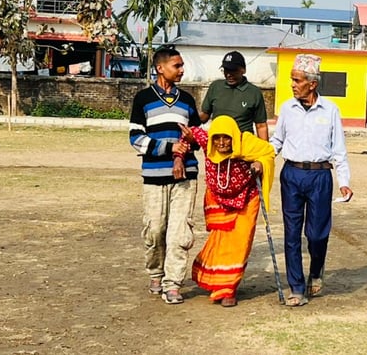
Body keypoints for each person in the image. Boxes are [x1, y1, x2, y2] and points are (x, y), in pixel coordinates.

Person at [270, 53, 353, 307]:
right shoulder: (287, 108)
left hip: (320, 176)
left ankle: (316, 270)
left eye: (297, 80)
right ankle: (296, 287)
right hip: (291, 175)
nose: (293, 84)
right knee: (292, 233)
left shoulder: (330, 110)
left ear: (312, 83)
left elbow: (339, 149)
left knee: (316, 234)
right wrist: (261, 158)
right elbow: (277, 141)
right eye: (292, 80)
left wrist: (344, 181)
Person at [128, 45, 201, 305]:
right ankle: (156, 273)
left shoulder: (188, 101)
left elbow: (197, 137)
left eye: (182, 66)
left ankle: (173, 283)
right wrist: (170, 148)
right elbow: (135, 138)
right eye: (176, 66)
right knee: (155, 229)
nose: (181, 70)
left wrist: (189, 144)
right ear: (160, 68)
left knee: (179, 233)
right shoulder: (143, 99)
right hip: (154, 175)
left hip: (186, 176)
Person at [178, 116, 275, 307]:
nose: (221, 143)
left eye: (226, 138)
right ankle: (217, 282)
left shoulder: (245, 143)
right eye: (217, 138)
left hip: (247, 199)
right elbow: (187, 136)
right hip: (219, 200)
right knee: (220, 243)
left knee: (239, 244)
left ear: (234, 137)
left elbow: (268, 151)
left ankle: (228, 288)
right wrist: (178, 158)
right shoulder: (207, 141)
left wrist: (260, 164)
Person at [200, 51, 269, 140]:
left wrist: (265, 150)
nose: (229, 75)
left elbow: (261, 126)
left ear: (243, 70)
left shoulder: (254, 92)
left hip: (243, 147)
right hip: (218, 145)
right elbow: (205, 115)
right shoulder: (215, 87)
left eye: (233, 71)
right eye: (226, 70)